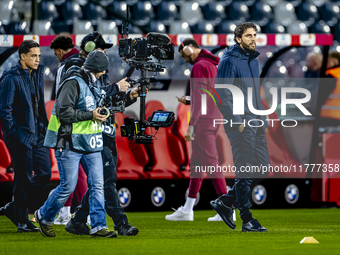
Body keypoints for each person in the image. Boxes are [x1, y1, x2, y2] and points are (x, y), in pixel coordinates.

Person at [35, 50, 121, 238]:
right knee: (68, 186)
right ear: (97, 69)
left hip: (91, 142)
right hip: (69, 142)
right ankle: (44, 215)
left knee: (97, 185)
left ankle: (99, 227)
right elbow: (64, 112)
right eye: (102, 71)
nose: (103, 75)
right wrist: (91, 115)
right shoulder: (72, 82)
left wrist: (101, 112)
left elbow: (93, 105)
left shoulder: (94, 82)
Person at [61, 32, 139, 236]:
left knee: (102, 180)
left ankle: (78, 221)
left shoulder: (97, 68)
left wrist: (128, 96)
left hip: (103, 130)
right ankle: (120, 223)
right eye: (101, 47)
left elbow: (104, 104)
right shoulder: (75, 67)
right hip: (88, 132)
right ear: (88, 48)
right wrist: (115, 87)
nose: (104, 51)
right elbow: (87, 99)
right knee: (106, 180)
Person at [211, 22, 269, 232]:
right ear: (238, 39)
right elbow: (222, 93)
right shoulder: (228, 60)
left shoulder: (253, 60)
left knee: (263, 168)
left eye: (254, 35)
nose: (253, 39)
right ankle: (247, 219)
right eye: (248, 36)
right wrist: (237, 120)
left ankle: (226, 202)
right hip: (240, 124)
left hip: (255, 121)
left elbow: (253, 91)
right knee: (244, 171)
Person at [165, 38, 232, 222]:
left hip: (203, 122)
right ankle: (187, 209)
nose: (185, 60)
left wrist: (191, 125)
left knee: (212, 164)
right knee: (197, 165)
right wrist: (189, 99)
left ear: (189, 48)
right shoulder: (212, 65)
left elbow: (201, 96)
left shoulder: (198, 67)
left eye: (183, 55)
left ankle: (226, 208)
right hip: (213, 118)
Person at [0, 40, 51, 233]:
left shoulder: (36, 73)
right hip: (21, 137)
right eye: (33, 56)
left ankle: (14, 208)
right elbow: (4, 110)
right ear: (22, 56)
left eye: (39, 55)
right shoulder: (10, 78)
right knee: (22, 178)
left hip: (38, 135)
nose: (38, 59)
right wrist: (14, 135)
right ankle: (22, 220)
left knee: (45, 172)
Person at [49, 34, 88, 225]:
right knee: (76, 171)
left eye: (55, 53)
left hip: (69, 125)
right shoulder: (83, 62)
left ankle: (82, 213)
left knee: (75, 171)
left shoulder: (65, 66)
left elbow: (60, 100)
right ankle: (67, 212)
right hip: (85, 123)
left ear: (59, 50)